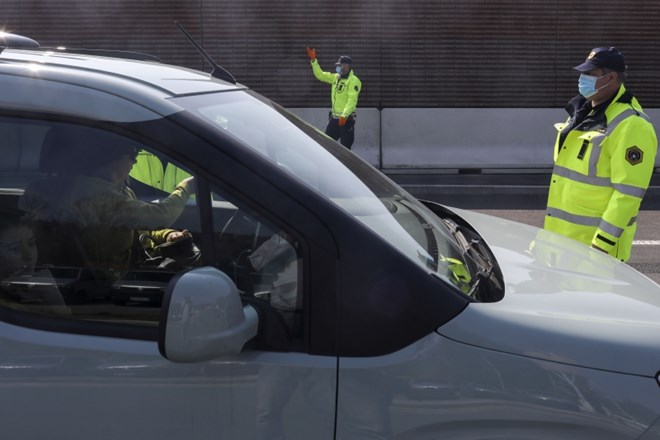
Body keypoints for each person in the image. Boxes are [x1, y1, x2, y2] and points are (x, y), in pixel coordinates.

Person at [20, 126, 195, 274]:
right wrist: (186, 187)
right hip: (113, 285)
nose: (135, 162)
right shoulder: (95, 196)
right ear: (112, 158)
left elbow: (137, 226)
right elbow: (160, 216)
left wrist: (167, 234)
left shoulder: (114, 191)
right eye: (132, 154)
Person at [544, 47, 657, 262]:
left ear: (611, 77)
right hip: (562, 245)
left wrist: (601, 246)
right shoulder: (582, 113)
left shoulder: (631, 125)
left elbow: (628, 194)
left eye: (590, 74)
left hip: (595, 253)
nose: (582, 79)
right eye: (583, 73)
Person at [306, 47, 362, 149]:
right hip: (334, 119)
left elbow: (352, 100)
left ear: (347, 66)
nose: (339, 67)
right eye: (338, 65)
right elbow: (320, 75)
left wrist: (344, 115)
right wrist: (314, 61)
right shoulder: (336, 77)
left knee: (345, 149)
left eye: (340, 65)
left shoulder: (354, 81)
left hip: (346, 120)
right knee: (326, 146)